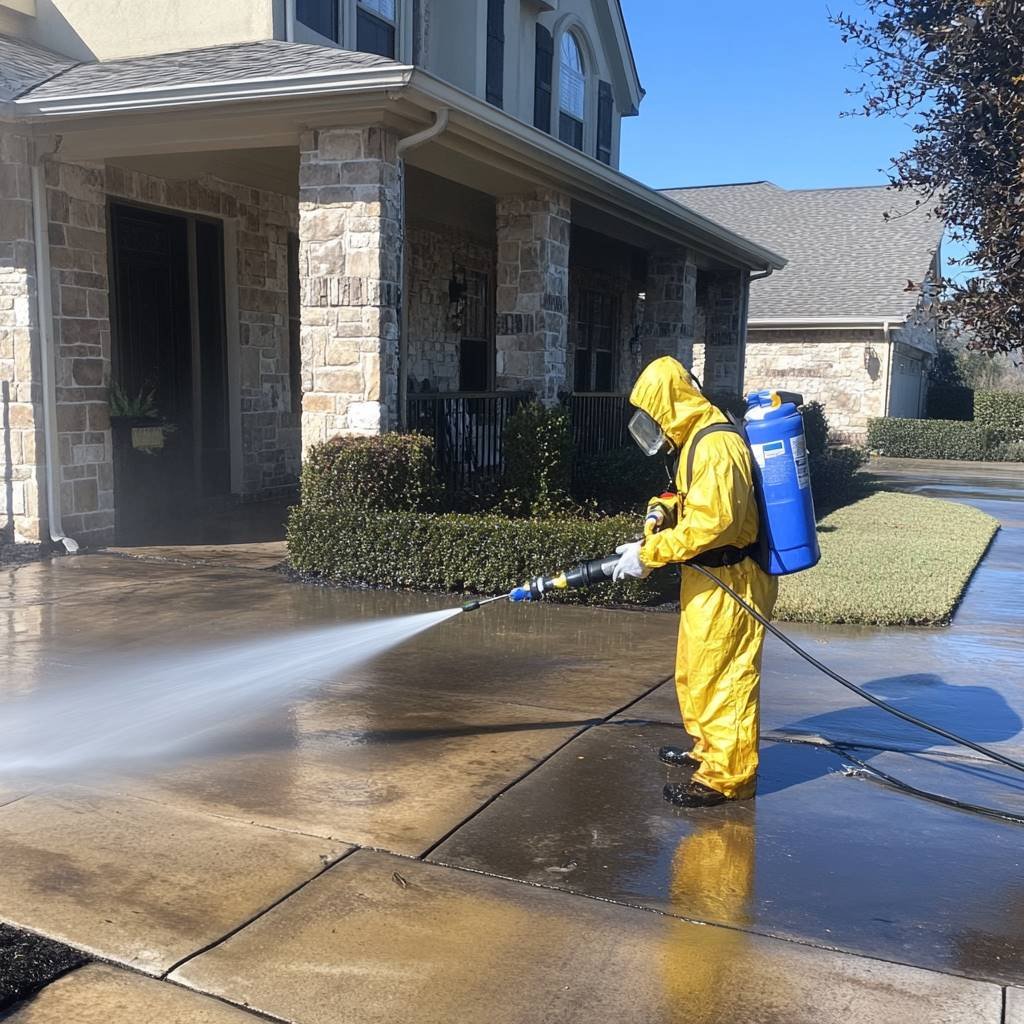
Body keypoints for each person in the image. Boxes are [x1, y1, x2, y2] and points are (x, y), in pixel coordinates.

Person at [612, 356, 778, 808]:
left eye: (653, 413)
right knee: (697, 671)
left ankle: (728, 777)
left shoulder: (716, 446)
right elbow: (686, 498)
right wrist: (660, 510)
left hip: (734, 578)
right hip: (709, 578)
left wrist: (650, 554)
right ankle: (707, 749)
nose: (652, 425)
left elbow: (715, 523)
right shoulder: (694, 440)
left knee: (727, 677)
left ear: (667, 405)